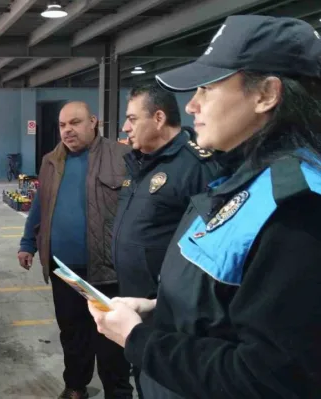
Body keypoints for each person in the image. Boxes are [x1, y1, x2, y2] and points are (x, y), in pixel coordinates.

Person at [89, 15, 321, 399]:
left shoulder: (297, 212)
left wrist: (139, 338)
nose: (192, 105)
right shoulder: (242, 181)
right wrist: (158, 309)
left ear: (266, 94)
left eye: (208, 88)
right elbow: (230, 304)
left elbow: (271, 377)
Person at [18, 101, 132, 399]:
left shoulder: (122, 156)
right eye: (62, 125)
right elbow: (40, 206)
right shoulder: (51, 160)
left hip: (106, 270)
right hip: (63, 270)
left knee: (110, 339)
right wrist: (27, 242)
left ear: (93, 122)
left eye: (75, 123)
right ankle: (75, 386)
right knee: (72, 334)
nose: (68, 130)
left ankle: (117, 391)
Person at [113, 84, 219, 396]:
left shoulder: (197, 166)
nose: (125, 127)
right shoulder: (140, 162)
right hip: (136, 300)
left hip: (171, 310)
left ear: (158, 118)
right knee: (142, 376)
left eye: (132, 119)